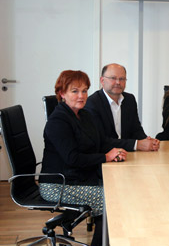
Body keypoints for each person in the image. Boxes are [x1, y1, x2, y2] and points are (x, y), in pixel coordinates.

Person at [39, 70, 129, 246]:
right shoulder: (58, 121)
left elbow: (100, 141)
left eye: (84, 90)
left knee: (119, 191)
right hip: (58, 184)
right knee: (111, 201)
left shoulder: (84, 114)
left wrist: (115, 150)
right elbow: (72, 158)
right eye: (75, 91)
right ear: (62, 93)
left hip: (78, 177)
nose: (81, 96)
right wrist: (105, 157)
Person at [85, 63, 159, 152]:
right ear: (102, 80)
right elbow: (101, 140)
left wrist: (148, 141)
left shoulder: (129, 99)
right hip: (104, 157)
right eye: (113, 78)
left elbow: (136, 129)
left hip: (127, 155)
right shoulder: (92, 103)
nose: (118, 82)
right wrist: (136, 144)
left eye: (122, 79)